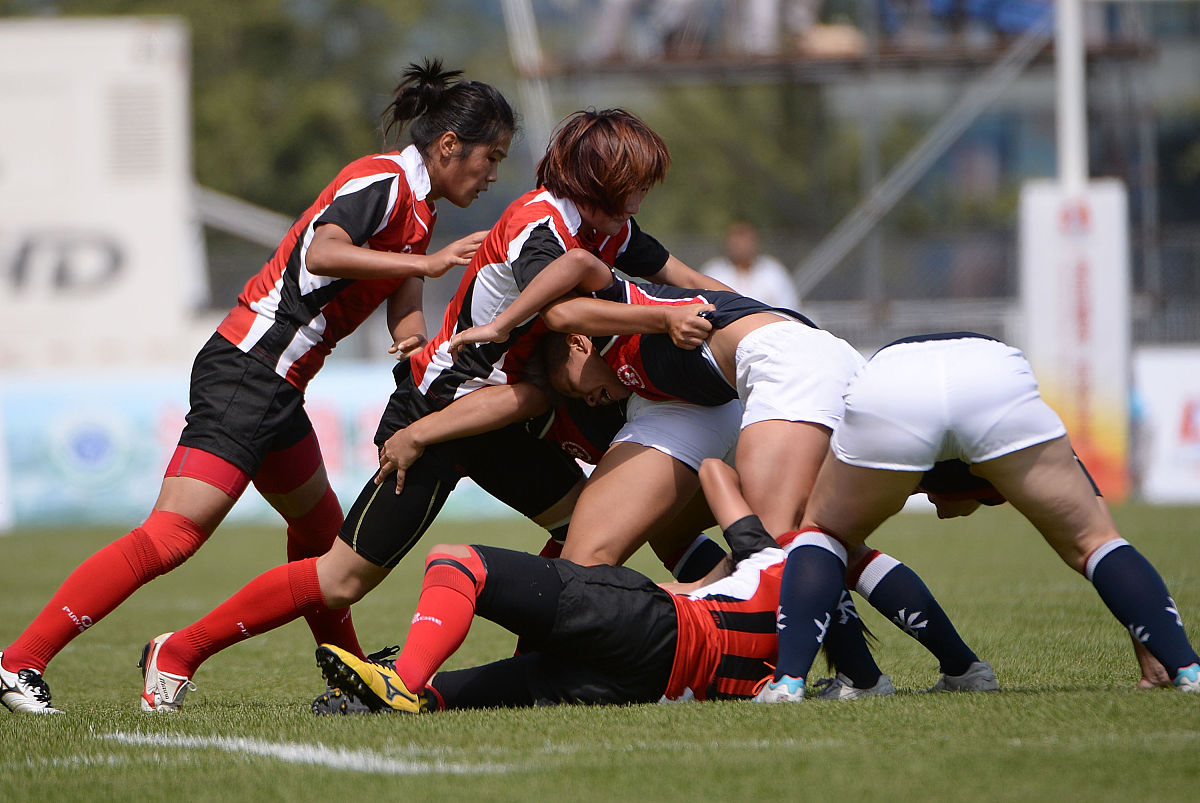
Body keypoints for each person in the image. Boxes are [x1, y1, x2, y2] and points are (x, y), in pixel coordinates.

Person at [131, 108, 732, 713]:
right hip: (437, 414)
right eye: (634, 183)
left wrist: (754, 318)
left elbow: (686, 278)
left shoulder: (606, 228)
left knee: (589, 534)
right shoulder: (541, 225)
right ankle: (179, 650)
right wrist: (420, 433)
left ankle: (534, 673)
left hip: (499, 418)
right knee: (341, 578)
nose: (640, 198)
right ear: (599, 177)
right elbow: (560, 314)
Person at [0, 59, 516, 715]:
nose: (492, 174)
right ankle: (20, 661)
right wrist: (429, 262)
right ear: (448, 145)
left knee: (320, 534)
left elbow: (403, 302)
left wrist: (419, 344)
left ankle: (346, 673)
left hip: (276, 386)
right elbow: (322, 251)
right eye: (491, 157)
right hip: (248, 369)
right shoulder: (383, 181)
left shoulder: (419, 211)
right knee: (172, 535)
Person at [757, 332, 1200, 702]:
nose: (940, 513)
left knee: (822, 535)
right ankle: (1187, 668)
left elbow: (817, 530)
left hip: (893, 382)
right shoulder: (1016, 452)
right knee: (1095, 541)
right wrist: (1151, 640)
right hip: (992, 376)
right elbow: (1106, 541)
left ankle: (788, 683)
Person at [311, 458, 801, 713]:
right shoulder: (783, 666)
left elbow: (714, 470)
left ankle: (401, 680)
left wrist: (758, 520)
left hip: (647, 626)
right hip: (643, 684)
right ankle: (408, 694)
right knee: (446, 695)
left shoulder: (771, 559)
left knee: (455, 563)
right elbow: (700, 599)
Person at [700, 220, 798, 310]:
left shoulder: (772, 271)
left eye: (745, 239)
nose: (741, 245)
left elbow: (789, 305)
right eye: (736, 240)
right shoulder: (714, 272)